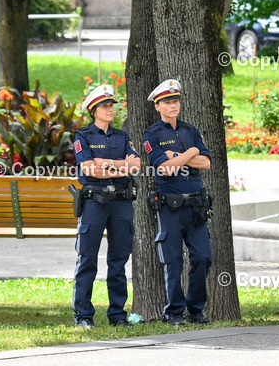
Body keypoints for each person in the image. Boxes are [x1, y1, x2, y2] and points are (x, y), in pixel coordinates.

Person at [143, 79, 214, 326]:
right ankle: (174, 312)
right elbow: (164, 168)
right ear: (157, 106)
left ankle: (196, 310)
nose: (173, 106)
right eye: (167, 102)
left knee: (203, 257)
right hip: (169, 207)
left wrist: (180, 157)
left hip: (195, 206)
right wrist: (191, 153)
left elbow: (206, 163)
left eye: (175, 101)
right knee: (173, 261)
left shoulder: (191, 131)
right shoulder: (152, 134)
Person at [72, 84, 140, 329]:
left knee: (119, 259)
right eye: (105, 106)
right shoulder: (83, 136)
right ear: (93, 110)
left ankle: (117, 315)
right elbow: (89, 169)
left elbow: (136, 166)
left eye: (111, 105)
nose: (110, 109)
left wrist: (106, 163)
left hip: (120, 203)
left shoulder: (122, 136)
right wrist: (121, 164)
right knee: (87, 258)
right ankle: (83, 315)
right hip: (94, 203)